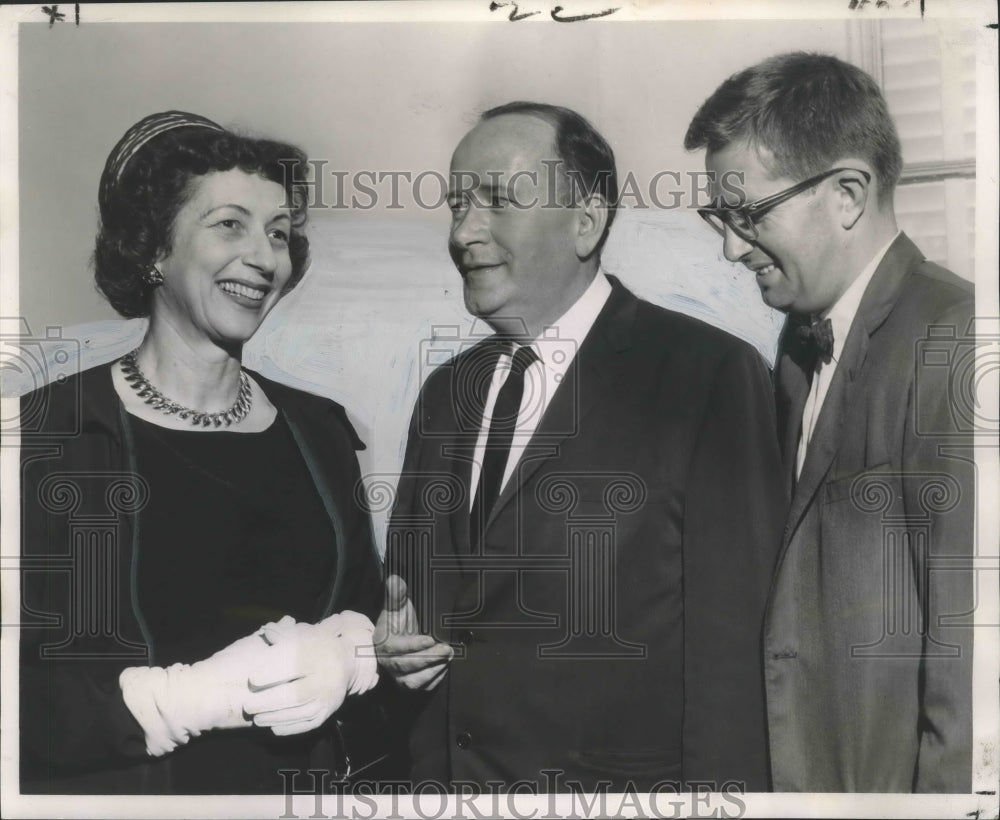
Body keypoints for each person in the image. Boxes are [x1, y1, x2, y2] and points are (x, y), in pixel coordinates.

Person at [375, 102, 786, 793]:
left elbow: (734, 663)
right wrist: (390, 652)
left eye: (499, 201)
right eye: (456, 204)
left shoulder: (706, 375)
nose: (463, 231)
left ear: (587, 221)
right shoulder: (445, 393)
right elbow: (407, 605)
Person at [19, 111, 384, 794]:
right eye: (229, 225)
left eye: (278, 233)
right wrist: (191, 699)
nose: (264, 256)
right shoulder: (51, 435)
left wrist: (354, 653)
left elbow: (366, 607)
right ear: (152, 249)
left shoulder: (319, 430)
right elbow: (24, 696)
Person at [685, 52, 975, 792]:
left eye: (749, 215)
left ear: (848, 193)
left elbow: (972, 667)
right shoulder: (795, 347)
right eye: (720, 217)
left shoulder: (958, 341)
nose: (730, 247)